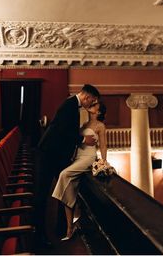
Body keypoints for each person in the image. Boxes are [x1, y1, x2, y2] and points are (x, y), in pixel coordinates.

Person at [35, 84, 100, 247]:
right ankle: (38, 235)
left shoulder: (72, 105)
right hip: (49, 154)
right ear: (87, 96)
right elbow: (62, 131)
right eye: (92, 100)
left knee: (64, 187)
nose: (91, 104)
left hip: (57, 155)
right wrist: (83, 140)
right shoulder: (69, 105)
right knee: (42, 194)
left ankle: (60, 228)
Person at [52, 101, 107, 241]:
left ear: (98, 112)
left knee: (64, 174)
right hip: (78, 157)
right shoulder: (84, 125)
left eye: (95, 106)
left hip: (88, 158)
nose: (92, 106)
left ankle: (72, 221)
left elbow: (103, 146)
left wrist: (103, 161)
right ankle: (70, 228)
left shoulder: (100, 126)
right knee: (68, 189)